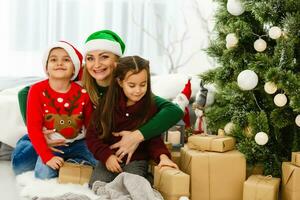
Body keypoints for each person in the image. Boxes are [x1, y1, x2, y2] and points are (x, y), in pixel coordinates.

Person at [12, 29, 183, 174]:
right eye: (91, 58)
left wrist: (137, 136)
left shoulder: (127, 87)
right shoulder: (80, 79)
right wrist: (39, 132)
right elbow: (25, 93)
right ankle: (30, 143)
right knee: (22, 164)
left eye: (104, 57)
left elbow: (173, 110)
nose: (97, 64)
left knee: (93, 163)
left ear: (117, 62)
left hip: (83, 139)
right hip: (56, 132)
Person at [87, 55, 178, 185]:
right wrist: (107, 157)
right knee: (96, 184)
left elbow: (154, 139)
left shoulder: (150, 106)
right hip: (109, 159)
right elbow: (92, 136)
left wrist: (163, 157)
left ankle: (146, 181)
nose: (138, 90)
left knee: (131, 185)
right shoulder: (107, 105)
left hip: (135, 161)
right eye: (131, 85)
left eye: (143, 84)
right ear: (120, 82)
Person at [25, 41, 97, 179]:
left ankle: (72, 164)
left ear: (74, 68)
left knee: (100, 163)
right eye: (53, 59)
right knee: (43, 174)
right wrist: (47, 157)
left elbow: (90, 125)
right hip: (53, 145)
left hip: (80, 142)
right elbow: (33, 127)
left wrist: (97, 148)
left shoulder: (83, 93)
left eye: (66, 60)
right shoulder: (36, 90)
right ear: (46, 67)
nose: (59, 63)